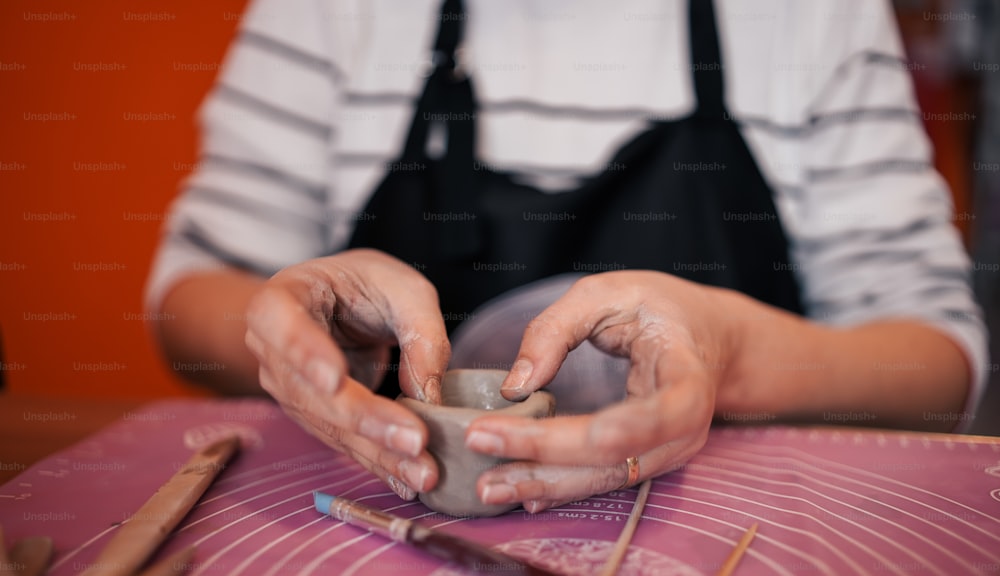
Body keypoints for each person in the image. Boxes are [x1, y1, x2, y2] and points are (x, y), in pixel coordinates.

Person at [145, 0, 988, 513]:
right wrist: (309, 347)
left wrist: (728, 356)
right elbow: (191, 296)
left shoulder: (811, 14)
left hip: (727, 557)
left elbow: (938, 369)